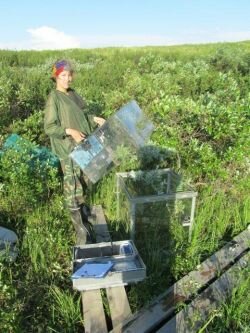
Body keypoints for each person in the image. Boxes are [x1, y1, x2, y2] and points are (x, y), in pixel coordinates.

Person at [44, 60, 105, 245]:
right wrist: (69, 131)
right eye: (63, 75)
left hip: (82, 147)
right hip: (68, 149)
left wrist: (94, 119)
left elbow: (80, 117)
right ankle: (81, 232)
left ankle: (84, 217)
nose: (67, 78)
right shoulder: (54, 97)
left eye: (70, 75)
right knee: (72, 187)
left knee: (83, 183)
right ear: (56, 77)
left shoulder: (72, 94)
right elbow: (49, 127)